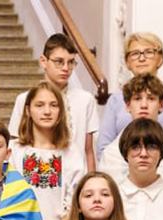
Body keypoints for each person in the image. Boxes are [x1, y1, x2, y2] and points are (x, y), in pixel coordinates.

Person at [9, 33, 97, 176]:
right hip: (34, 174)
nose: (66, 68)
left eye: (71, 62)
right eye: (59, 62)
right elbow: (16, 142)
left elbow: (88, 150)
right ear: (43, 61)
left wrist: (91, 182)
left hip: (75, 175)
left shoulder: (85, 100)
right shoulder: (24, 99)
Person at [10, 81, 81, 220]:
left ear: (61, 111)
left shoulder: (71, 152)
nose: (47, 111)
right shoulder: (13, 151)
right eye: (40, 105)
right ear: (28, 110)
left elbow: (71, 208)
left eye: (54, 105)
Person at [97, 32, 163, 155]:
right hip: (120, 167)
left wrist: (148, 168)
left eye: (149, 52)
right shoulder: (115, 100)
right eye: (135, 54)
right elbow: (103, 148)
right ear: (127, 62)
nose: (142, 58)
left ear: (160, 59)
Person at [99, 76, 163, 193]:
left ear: (161, 105)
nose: (144, 105)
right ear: (127, 105)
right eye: (137, 99)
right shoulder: (112, 152)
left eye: (151, 99)